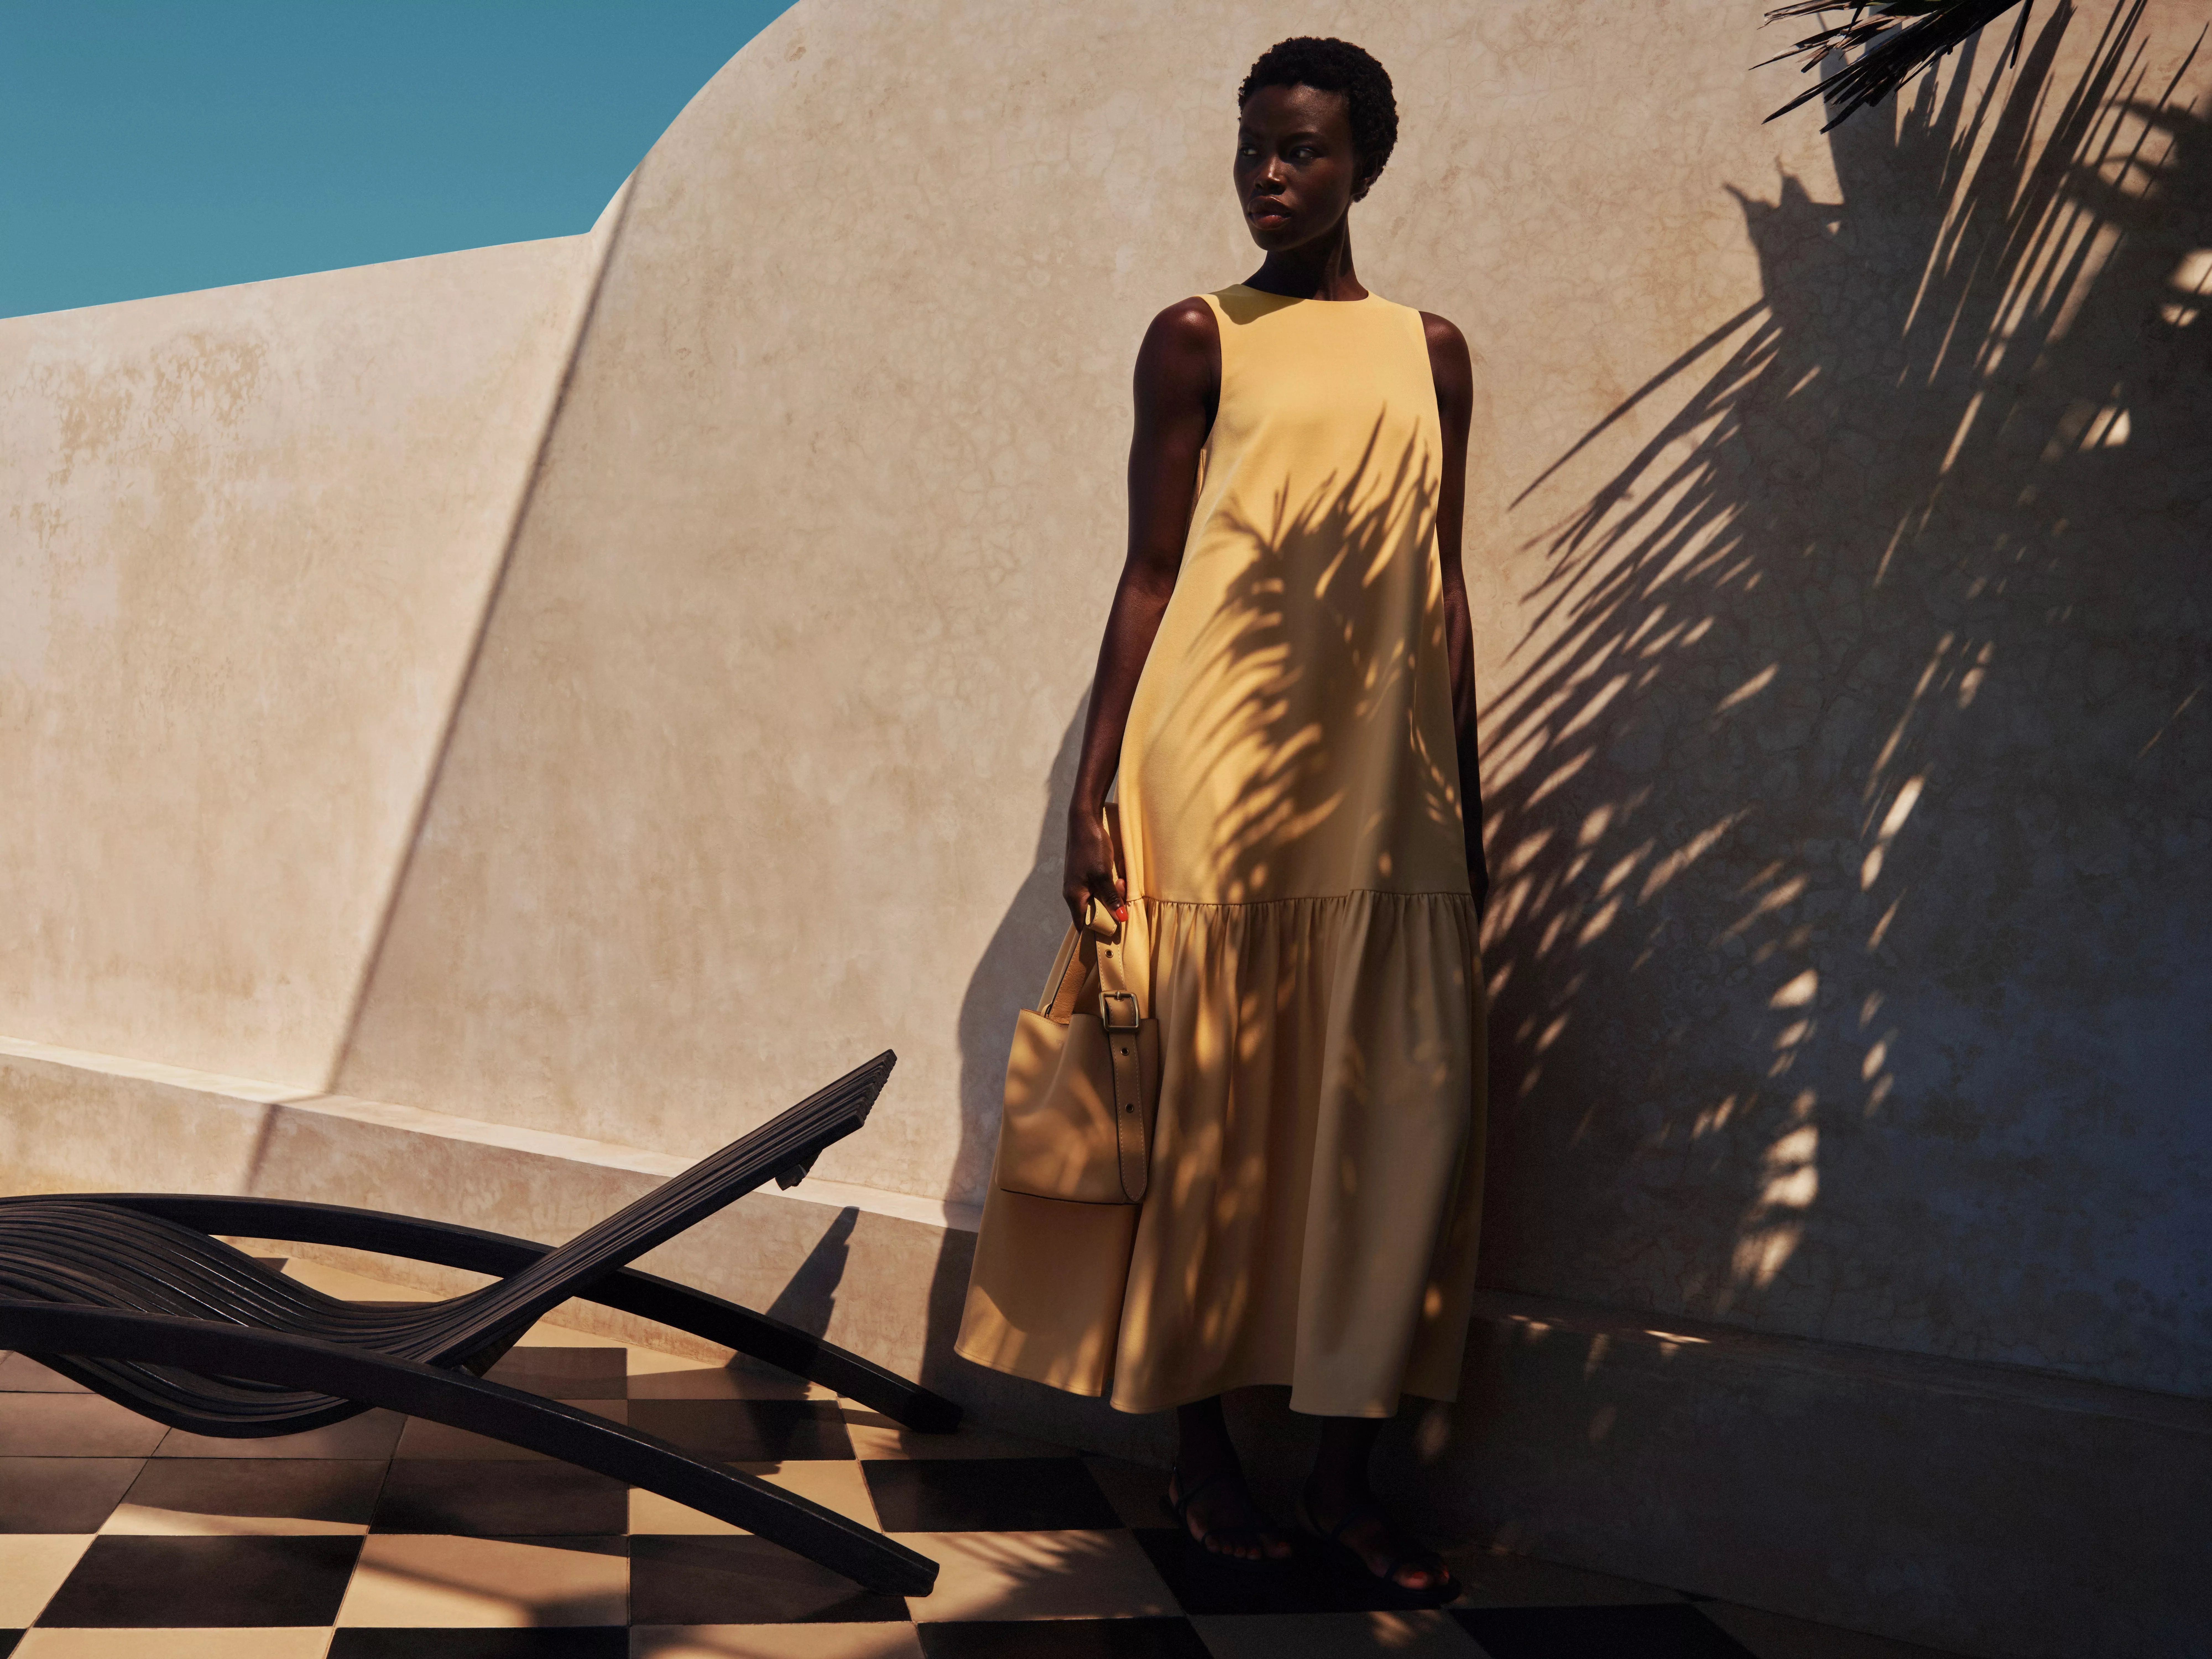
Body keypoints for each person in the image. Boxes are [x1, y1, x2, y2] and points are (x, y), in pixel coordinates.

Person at [956, 35, 1489, 1601]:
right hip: (1210, 777)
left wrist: (1468, 795)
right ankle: (1202, 1457)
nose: (1272, 174)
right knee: (1200, 1115)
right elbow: (1151, 572)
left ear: (1364, 164)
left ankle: (1346, 1479)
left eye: (1306, 149)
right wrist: (1090, 796)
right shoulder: (1197, 337)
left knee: (1395, 1125)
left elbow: (1444, 585)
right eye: (1255, 146)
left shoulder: (1432, 353)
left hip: (1385, 797)